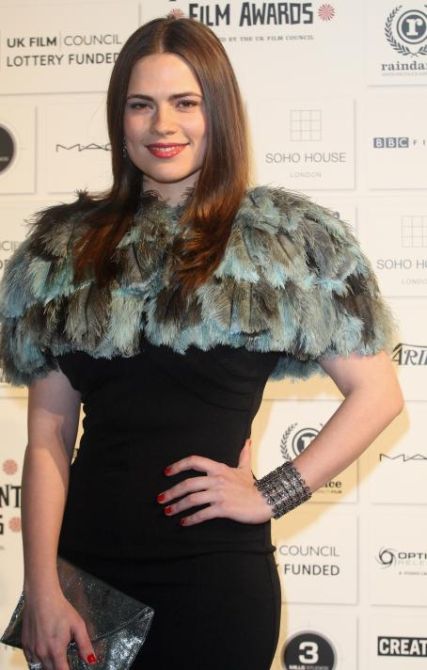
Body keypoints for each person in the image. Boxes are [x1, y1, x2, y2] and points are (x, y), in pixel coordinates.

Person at [0, 15, 403, 670]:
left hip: (215, 581)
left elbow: (378, 393)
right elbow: (48, 434)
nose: (163, 125)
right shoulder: (62, 252)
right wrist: (42, 586)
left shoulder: (284, 242)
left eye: (185, 103)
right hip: (86, 580)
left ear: (218, 112)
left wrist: (271, 493)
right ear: (120, 118)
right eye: (141, 104)